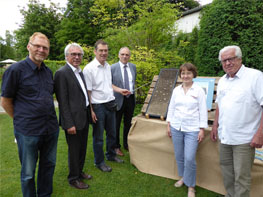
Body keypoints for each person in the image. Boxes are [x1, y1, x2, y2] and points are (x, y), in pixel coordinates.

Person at [1, 32, 59, 196]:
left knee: (48, 166)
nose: (41, 50)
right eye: (37, 46)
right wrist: (20, 120)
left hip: (50, 129)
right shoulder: (15, 70)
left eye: (45, 47)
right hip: (28, 132)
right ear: (29, 47)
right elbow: (5, 101)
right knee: (28, 173)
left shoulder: (48, 72)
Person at [210, 45, 263, 197]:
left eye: (231, 59)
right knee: (227, 172)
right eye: (224, 61)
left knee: (241, 177)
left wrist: (260, 134)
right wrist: (215, 125)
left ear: (239, 59)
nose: (227, 63)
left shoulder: (255, 77)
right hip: (225, 136)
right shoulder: (223, 81)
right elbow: (220, 104)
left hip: (244, 139)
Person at [83, 40, 130, 172]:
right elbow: (88, 92)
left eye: (106, 51)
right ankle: (99, 162)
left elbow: (109, 85)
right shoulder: (89, 69)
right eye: (101, 51)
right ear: (95, 51)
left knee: (112, 133)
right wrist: (91, 110)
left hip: (110, 103)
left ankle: (110, 155)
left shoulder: (108, 66)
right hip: (98, 106)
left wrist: (120, 90)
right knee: (98, 137)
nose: (104, 53)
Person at [54, 43, 92, 189]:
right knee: (74, 150)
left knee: (82, 148)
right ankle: (73, 178)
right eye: (73, 54)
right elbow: (62, 102)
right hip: (73, 121)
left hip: (83, 118)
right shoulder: (61, 73)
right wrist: (69, 123)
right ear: (66, 56)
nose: (77, 57)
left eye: (79, 54)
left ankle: (79, 171)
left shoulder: (79, 72)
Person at [166, 63, 208, 197]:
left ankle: (191, 186)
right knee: (179, 156)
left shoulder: (199, 91)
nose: (185, 76)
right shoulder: (176, 90)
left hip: (192, 129)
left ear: (193, 75)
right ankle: (183, 177)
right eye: (183, 73)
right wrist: (168, 124)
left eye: (188, 73)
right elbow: (171, 108)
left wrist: (202, 129)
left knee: (189, 158)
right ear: (180, 75)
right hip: (176, 127)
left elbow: (203, 110)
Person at [111, 47, 137, 156]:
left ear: (129, 56)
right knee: (116, 124)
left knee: (128, 123)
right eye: (122, 54)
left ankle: (126, 144)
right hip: (118, 100)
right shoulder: (112, 68)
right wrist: (120, 90)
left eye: (127, 55)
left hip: (130, 99)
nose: (124, 56)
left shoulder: (133, 67)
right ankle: (116, 146)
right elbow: (108, 84)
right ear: (118, 55)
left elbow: (132, 82)